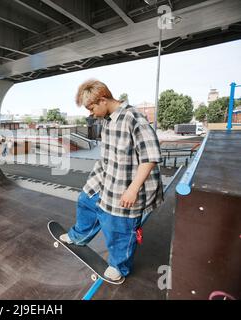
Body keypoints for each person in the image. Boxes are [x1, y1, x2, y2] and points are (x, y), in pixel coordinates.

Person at [60, 79, 163, 284]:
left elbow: (150, 156)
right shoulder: (107, 120)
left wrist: (133, 189)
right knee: (86, 200)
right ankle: (79, 236)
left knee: (118, 226)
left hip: (127, 184)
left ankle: (118, 266)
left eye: (91, 108)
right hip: (106, 178)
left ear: (103, 100)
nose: (90, 113)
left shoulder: (134, 118)